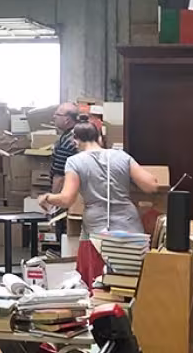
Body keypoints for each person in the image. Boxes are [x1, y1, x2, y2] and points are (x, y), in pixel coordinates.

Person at [39, 119, 160, 287]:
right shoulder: (121, 156)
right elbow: (151, 186)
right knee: (130, 282)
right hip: (129, 226)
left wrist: (47, 197)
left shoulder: (74, 162)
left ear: (75, 140)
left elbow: (67, 199)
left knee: (98, 285)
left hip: (97, 231)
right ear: (99, 138)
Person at [49, 102, 82, 191]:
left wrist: (54, 201)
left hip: (67, 192)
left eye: (57, 114)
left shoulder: (68, 142)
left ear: (67, 119)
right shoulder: (76, 133)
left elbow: (60, 177)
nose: (54, 116)